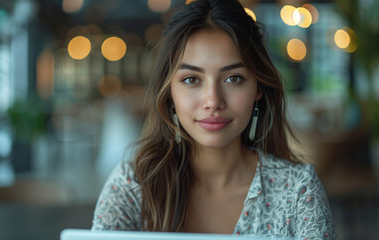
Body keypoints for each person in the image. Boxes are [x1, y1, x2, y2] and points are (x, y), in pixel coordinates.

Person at [92, 0, 336, 239]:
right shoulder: (133, 186)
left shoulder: (297, 191)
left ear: (257, 88)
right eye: (191, 79)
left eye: (233, 78)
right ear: (169, 92)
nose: (213, 101)